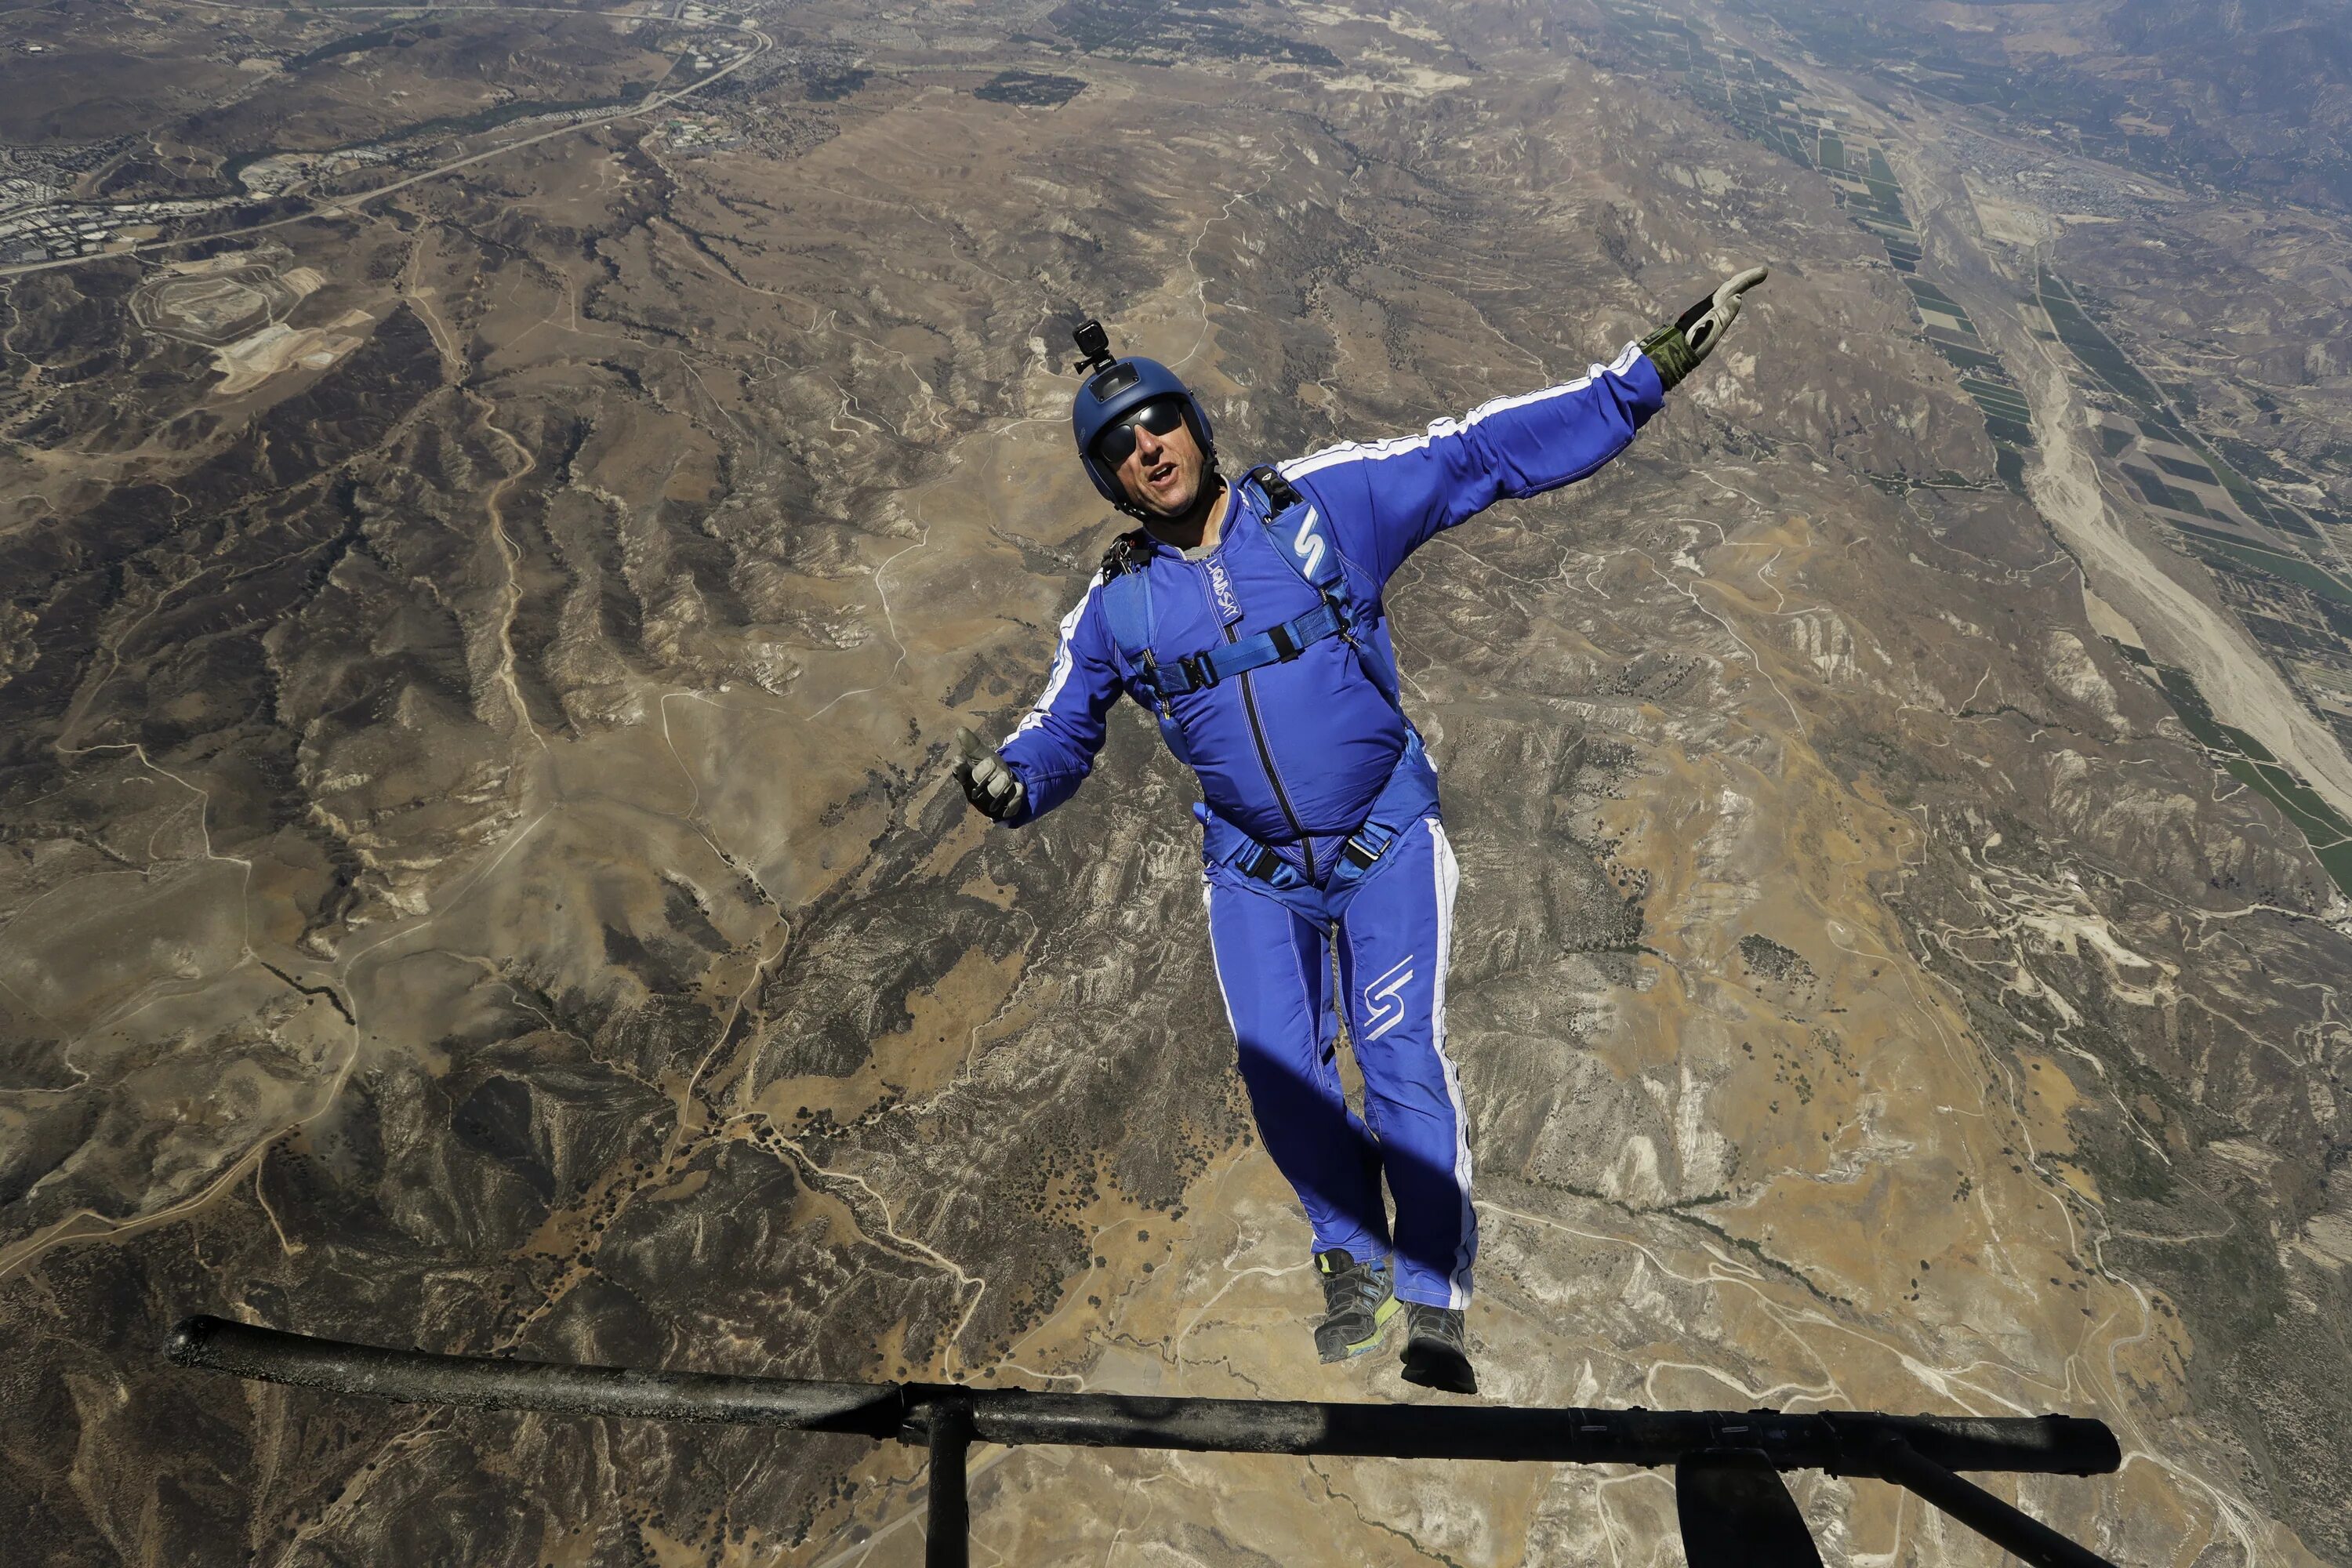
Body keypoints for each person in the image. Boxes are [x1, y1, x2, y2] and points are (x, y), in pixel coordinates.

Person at [953, 268, 1767, 1393]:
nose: (1150, 449)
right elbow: (1060, 727)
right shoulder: (1116, 610)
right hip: (1252, 868)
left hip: (1384, 837)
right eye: (1123, 446)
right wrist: (1015, 784)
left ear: (1196, 425)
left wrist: (1639, 381)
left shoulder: (1320, 511)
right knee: (1282, 1072)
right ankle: (1351, 1259)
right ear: (1110, 480)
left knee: (1397, 1063)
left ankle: (1433, 1301)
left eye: (1163, 423)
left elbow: (1474, 456)